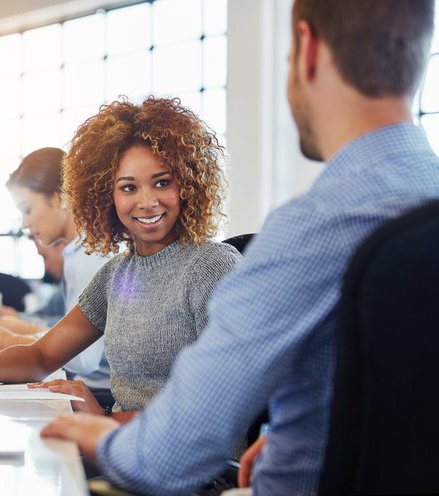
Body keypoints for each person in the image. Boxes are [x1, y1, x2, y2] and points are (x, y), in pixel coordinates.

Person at [38, 1, 439, 495]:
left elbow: (166, 460)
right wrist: (319, 430)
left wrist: (97, 430)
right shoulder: (424, 202)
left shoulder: (311, 229)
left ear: (307, 49)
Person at [0, 97, 241, 423]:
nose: (146, 202)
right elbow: (43, 355)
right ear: (105, 196)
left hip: (188, 464)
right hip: (122, 449)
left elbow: (220, 404)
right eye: (128, 187)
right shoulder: (116, 274)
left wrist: (104, 418)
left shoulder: (211, 267)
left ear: (188, 184)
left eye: (162, 182)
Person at [0, 147, 114, 398]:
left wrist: (11, 336)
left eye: (27, 209)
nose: (25, 223)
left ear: (60, 198)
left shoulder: (90, 259)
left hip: (103, 393)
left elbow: (80, 360)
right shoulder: (78, 255)